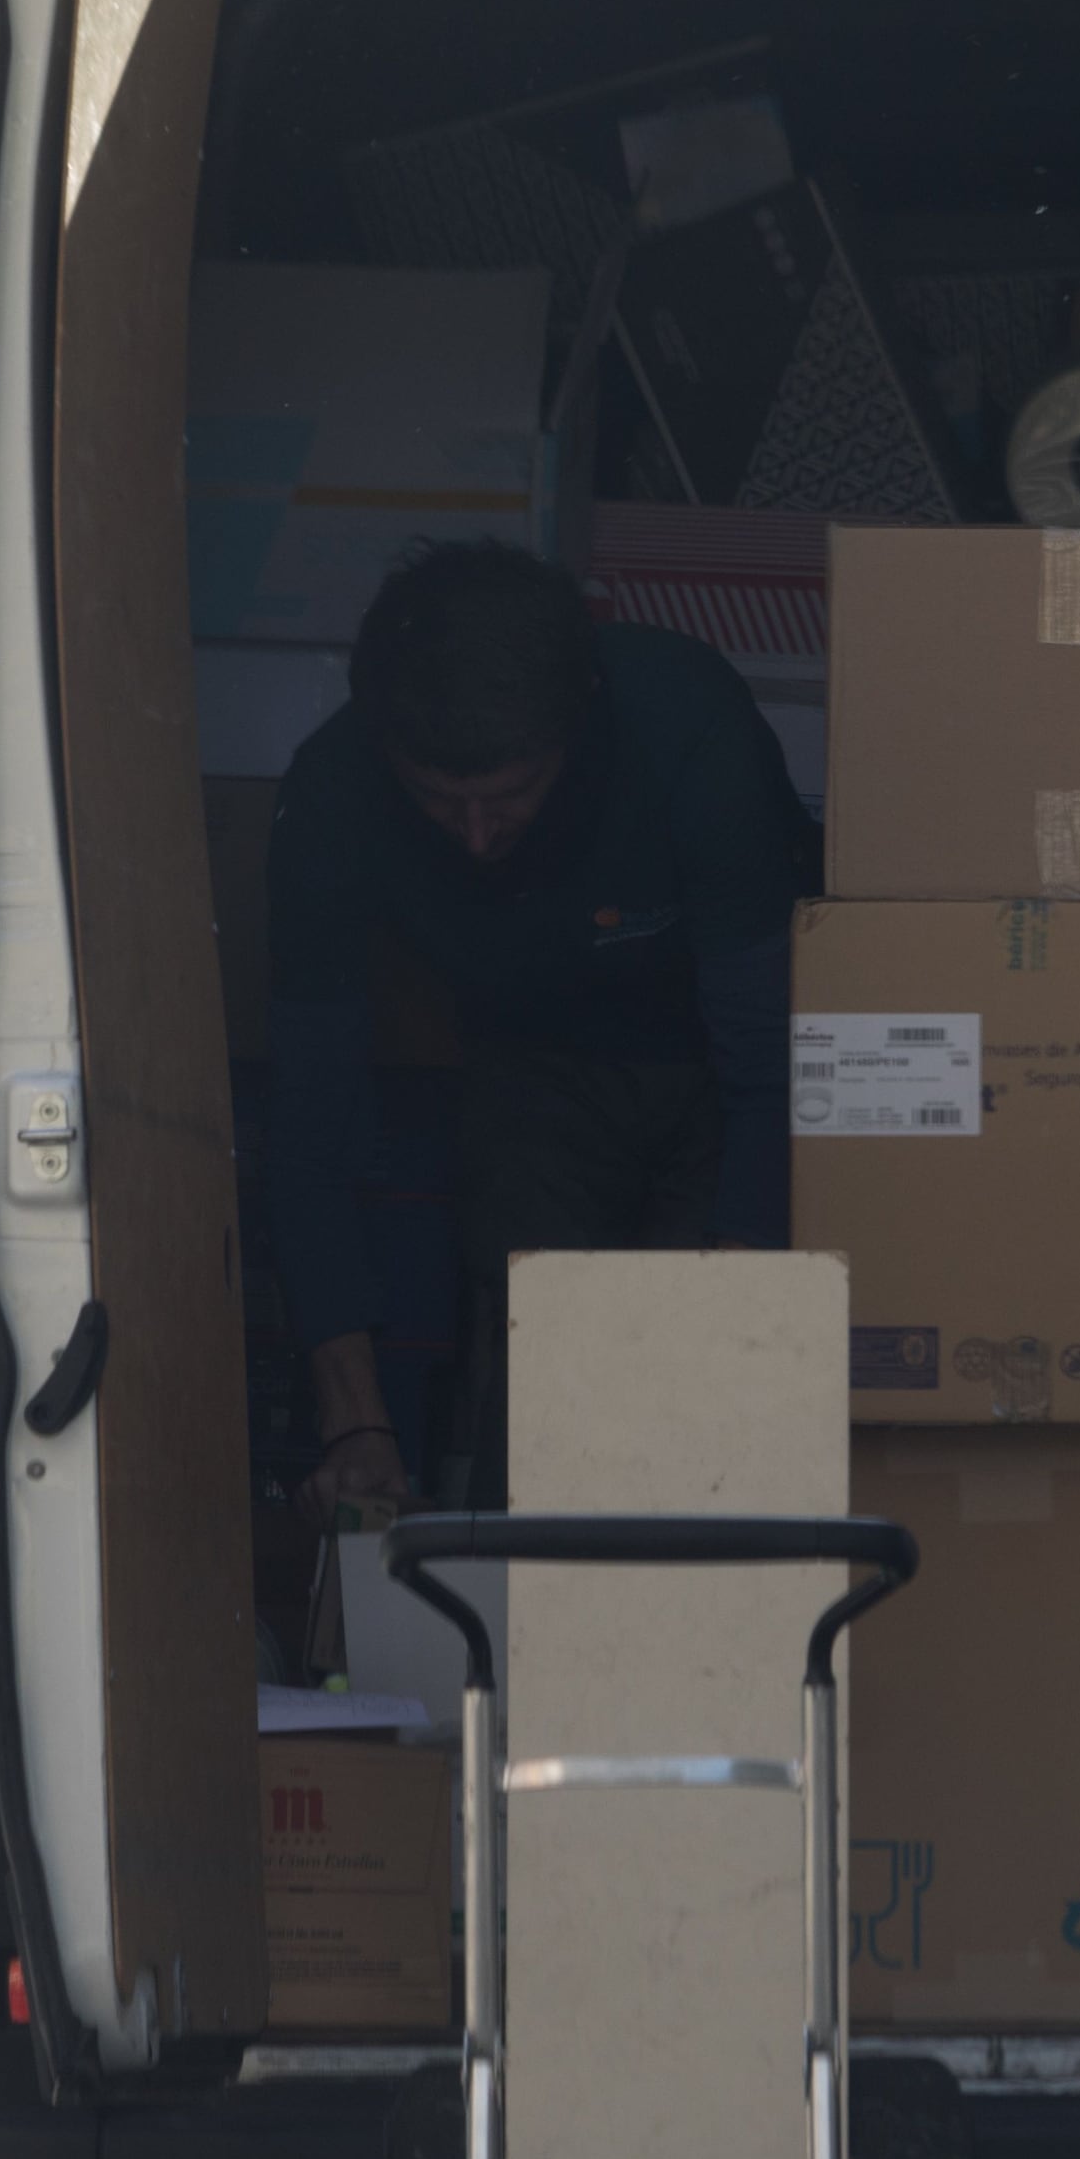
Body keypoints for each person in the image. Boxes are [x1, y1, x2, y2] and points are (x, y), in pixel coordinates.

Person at [263, 539, 815, 1514]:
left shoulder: (688, 728)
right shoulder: (331, 794)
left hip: (721, 1060)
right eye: (441, 804)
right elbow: (311, 1115)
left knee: (694, 1424)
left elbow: (774, 1068)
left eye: (506, 798)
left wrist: (720, 1337)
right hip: (533, 1061)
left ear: (575, 730)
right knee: (550, 1406)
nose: (475, 836)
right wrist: (355, 1419)